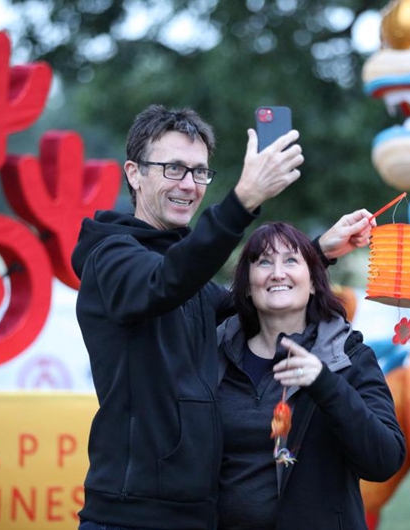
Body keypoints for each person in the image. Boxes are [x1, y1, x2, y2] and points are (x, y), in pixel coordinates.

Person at [71, 105, 374, 530]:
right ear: (134, 173)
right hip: (131, 518)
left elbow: (241, 297)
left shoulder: (182, 272)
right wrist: (243, 200)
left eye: (199, 172)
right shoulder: (112, 257)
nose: (190, 185)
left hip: (197, 515)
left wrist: (319, 250)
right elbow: (165, 281)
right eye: (174, 168)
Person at [216, 222, 406, 530]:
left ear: (315, 283)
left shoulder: (349, 358)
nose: (277, 272)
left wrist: (326, 385)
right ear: (248, 285)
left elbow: (384, 460)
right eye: (264, 262)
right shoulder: (215, 355)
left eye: (291, 260)